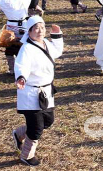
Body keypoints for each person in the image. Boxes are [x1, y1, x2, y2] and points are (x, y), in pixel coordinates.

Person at [12, 17, 64, 166]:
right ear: (29, 31)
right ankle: (27, 155)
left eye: (42, 27)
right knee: (36, 128)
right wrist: (21, 77)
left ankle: (19, 133)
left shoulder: (46, 43)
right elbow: (21, 65)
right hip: (31, 92)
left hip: (46, 91)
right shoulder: (27, 48)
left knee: (48, 121)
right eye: (36, 28)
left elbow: (57, 52)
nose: (40, 31)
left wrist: (56, 35)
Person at [0, 0, 34, 74]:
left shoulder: (7, 2)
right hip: (24, 26)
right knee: (23, 48)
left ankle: (12, 69)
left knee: (9, 48)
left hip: (11, 27)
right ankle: (24, 68)